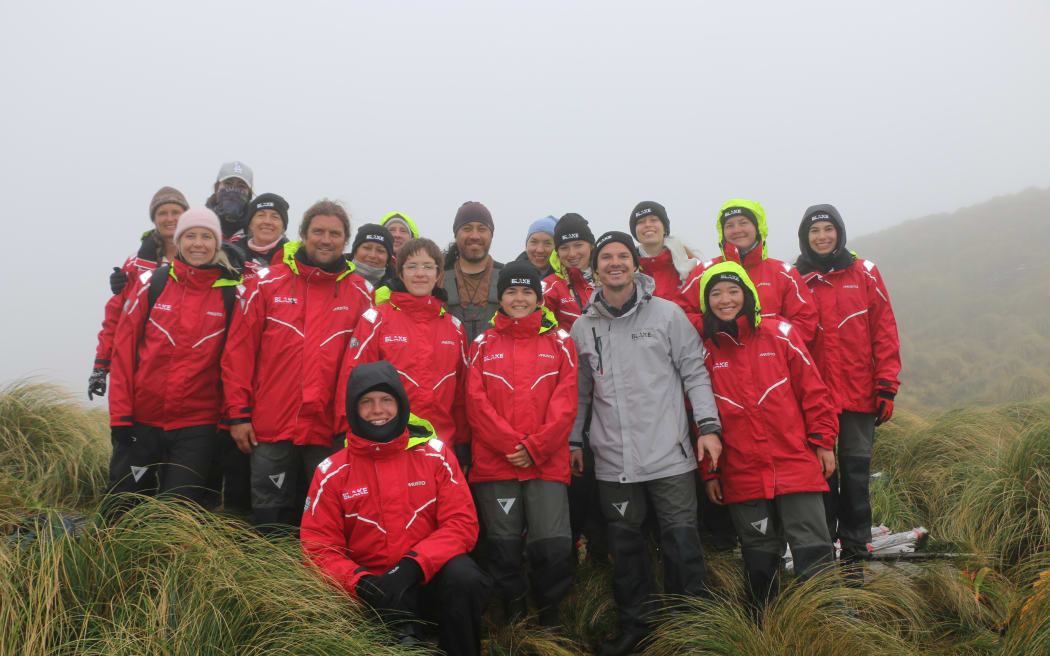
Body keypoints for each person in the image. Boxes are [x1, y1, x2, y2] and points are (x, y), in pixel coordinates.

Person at [569, 231, 722, 656]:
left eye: (623, 256)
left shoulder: (668, 315)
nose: (615, 263)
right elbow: (580, 391)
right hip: (612, 459)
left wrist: (708, 427)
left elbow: (695, 372)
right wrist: (573, 442)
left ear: (635, 264)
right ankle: (637, 628)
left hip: (670, 455)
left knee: (681, 541)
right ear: (594, 269)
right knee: (626, 549)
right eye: (606, 258)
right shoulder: (583, 327)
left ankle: (693, 629)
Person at [301, 360, 491, 655]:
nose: (378, 410)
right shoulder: (331, 472)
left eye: (386, 400)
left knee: (464, 576)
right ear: (353, 409)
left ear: (401, 404)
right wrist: (362, 584)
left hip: (427, 578)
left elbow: (462, 524)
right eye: (366, 401)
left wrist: (412, 566)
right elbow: (318, 548)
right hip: (368, 592)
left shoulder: (436, 456)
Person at [222, 199, 374, 530]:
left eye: (335, 233)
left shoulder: (362, 293)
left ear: (344, 240)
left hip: (328, 430)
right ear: (303, 235)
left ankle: (314, 583)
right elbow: (238, 354)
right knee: (269, 517)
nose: (325, 239)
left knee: (324, 518)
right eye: (318, 231)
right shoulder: (265, 282)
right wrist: (238, 415)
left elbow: (367, 367)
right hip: (271, 424)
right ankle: (264, 579)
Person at [697, 261, 838, 612]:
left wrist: (822, 441)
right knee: (759, 559)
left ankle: (831, 621)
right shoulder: (705, 353)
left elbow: (814, 392)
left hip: (795, 461)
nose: (725, 300)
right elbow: (700, 419)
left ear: (748, 295)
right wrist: (710, 472)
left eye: (733, 291)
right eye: (715, 293)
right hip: (742, 471)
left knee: (813, 549)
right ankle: (765, 627)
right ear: (706, 302)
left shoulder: (781, 333)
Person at [106, 207, 242, 508]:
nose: (198, 244)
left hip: (198, 426)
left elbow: (234, 365)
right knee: (121, 509)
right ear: (178, 241)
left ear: (217, 244)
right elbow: (123, 354)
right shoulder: (150, 284)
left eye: (207, 237)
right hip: (142, 421)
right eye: (190, 235)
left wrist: (228, 420)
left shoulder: (231, 295)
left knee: (176, 516)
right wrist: (120, 417)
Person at [466, 261, 578, 626]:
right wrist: (510, 444)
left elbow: (567, 401)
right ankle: (512, 619)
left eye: (527, 291)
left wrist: (535, 447)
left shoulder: (560, 340)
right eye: (511, 291)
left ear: (538, 296)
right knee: (503, 545)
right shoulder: (483, 343)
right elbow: (475, 401)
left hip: (545, 462)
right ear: (501, 296)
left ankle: (551, 618)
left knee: (553, 544)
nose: (519, 298)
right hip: (496, 462)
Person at [795, 204, 902, 580]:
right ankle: (825, 551)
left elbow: (884, 330)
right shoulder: (796, 278)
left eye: (828, 229)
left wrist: (887, 385)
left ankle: (856, 552)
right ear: (804, 238)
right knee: (822, 476)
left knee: (856, 475)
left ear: (839, 232)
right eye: (814, 231)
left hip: (859, 393)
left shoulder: (866, 273)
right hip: (814, 398)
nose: (822, 236)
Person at [336, 237, 470, 466]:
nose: (420, 273)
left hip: (441, 448)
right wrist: (344, 433)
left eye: (428, 267)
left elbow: (461, 394)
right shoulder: (375, 320)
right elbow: (352, 380)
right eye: (412, 266)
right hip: (385, 444)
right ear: (400, 273)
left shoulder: (454, 328)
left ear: (438, 275)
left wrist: (464, 444)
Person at [90, 186, 188, 401]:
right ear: (154, 219)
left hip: (188, 371)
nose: (169, 218)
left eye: (176, 212)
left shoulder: (201, 259)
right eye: (162, 213)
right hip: (140, 368)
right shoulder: (135, 263)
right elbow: (116, 316)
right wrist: (101, 364)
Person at [679, 199, 818, 345]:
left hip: (773, 361)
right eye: (730, 225)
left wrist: (769, 331)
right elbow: (680, 315)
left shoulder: (784, 273)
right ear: (722, 232)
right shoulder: (705, 272)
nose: (737, 230)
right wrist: (713, 327)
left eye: (743, 222)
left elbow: (806, 322)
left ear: (757, 227)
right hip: (722, 360)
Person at [442, 201, 503, 342]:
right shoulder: (437, 278)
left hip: (495, 362)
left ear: (491, 235)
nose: (475, 235)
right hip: (451, 362)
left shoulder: (507, 277)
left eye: (482, 229)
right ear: (456, 235)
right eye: (467, 228)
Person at [629, 201, 702, 301]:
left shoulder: (693, 266)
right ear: (635, 232)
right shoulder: (627, 270)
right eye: (641, 222)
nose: (647, 225)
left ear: (665, 229)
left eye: (653, 220)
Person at [541, 213, 596, 329]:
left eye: (578, 245)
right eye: (564, 248)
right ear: (557, 252)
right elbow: (540, 330)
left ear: (591, 245)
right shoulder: (550, 287)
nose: (572, 253)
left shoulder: (610, 279)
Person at [235, 193, 290, 275]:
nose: (267, 221)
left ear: (283, 228)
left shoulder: (295, 259)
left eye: (275, 217)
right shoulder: (232, 257)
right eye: (261, 215)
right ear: (250, 224)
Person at [205, 160, 254, 243]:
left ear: (249, 193)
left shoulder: (257, 230)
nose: (233, 190)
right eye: (228, 184)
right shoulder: (200, 222)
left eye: (241, 186)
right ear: (217, 187)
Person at [348, 223, 396, 290]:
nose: (373, 255)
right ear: (355, 251)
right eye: (367, 248)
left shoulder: (398, 287)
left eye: (380, 250)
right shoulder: (333, 274)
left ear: (388, 258)